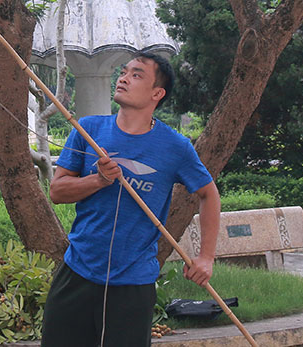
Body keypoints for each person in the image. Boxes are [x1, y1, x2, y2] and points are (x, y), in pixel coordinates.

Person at [41, 50, 220, 347]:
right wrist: (99, 180)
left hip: (133, 283)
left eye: (136, 75)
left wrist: (206, 257)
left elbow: (208, 194)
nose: (123, 78)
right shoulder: (88, 129)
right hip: (77, 272)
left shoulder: (175, 147)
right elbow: (57, 192)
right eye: (123, 72)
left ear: (157, 93)